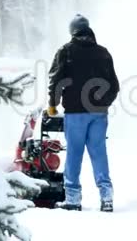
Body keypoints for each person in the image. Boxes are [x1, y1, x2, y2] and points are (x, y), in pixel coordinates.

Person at [47, 14, 119, 212]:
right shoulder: (103, 53)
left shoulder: (66, 51)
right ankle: (106, 196)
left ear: (72, 31)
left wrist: (53, 104)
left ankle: (73, 199)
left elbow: (56, 80)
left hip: (75, 113)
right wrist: (104, 103)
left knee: (74, 154)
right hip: (99, 114)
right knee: (98, 153)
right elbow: (114, 85)